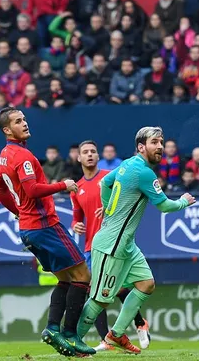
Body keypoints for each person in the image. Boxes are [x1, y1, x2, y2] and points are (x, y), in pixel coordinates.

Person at [76, 127, 196, 354]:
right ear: (141, 147)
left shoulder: (127, 164)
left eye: (161, 142)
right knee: (101, 299)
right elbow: (164, 206)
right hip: (113, 244)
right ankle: (74, 340)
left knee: (146, 284)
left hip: (127, 244)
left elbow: (105, 184)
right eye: (154, 142)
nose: (160, 146)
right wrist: (183, 201)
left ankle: (116, 335)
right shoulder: (145, 173)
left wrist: (108, 207)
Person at [0, 107, 94, 357]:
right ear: (7, 130)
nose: (25, 123)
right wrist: (64, 185)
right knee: (83, 276)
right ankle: (71, 334)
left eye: (24, 119)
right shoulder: (23, 157)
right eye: (18, 121)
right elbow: (32, 190)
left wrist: (17, 211)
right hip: (45, 224)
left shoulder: (5, 155)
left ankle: (52, 329)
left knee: (65, 279)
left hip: (27, 229)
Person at [69, 140, 151, 352]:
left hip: (115, 243)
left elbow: (125, 199)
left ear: (98, 157)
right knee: (104, 294)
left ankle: (133, 326)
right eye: (85, 152)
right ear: (78, 158)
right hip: (91, 247)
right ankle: (113, 336)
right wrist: (75, 224)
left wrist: (108, 206)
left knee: (113, 291)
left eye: (93, 152)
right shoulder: (76, 188)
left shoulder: (112, 176)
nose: (89, 155)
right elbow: (77, 216)